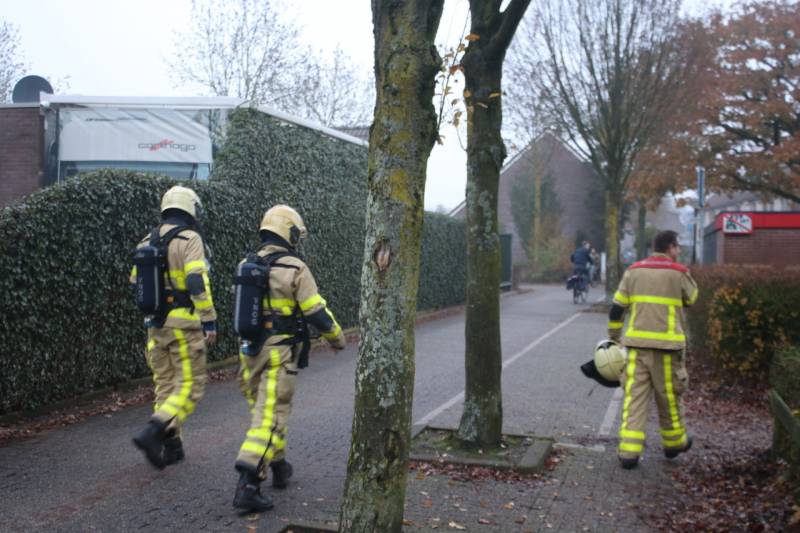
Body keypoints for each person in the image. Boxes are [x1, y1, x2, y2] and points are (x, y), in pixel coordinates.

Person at [232, 205, 346, 513]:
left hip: (249, 352)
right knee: (272, 415)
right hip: (279, 353)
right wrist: (336, 337)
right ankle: (248, 483)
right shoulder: (294, 268)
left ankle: (279, 468)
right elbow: (315, 310)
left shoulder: (247, 263)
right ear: (290, 232)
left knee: (264, 410)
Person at [130, 185, 217, 469]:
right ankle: (153, 431)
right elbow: (195, 281)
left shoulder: (146, 241)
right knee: (190, 387)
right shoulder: (190, 238)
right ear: (190, 208)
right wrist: (209, 318)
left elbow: (135, 281)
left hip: (155, 326)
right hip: (183, 324)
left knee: (165, 387)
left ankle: (172, 446)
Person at [607, 230, 698, 469]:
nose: (678, 251)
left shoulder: (633, 271)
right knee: (668, 397)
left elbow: (617, 308)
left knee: (634, 399)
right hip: (667, 349)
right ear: (670, 247)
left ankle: (628, 452)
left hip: (636, 348)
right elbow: (693, 297)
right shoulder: (679, 273)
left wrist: (614, 337)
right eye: (677, 247)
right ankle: (674, 443)